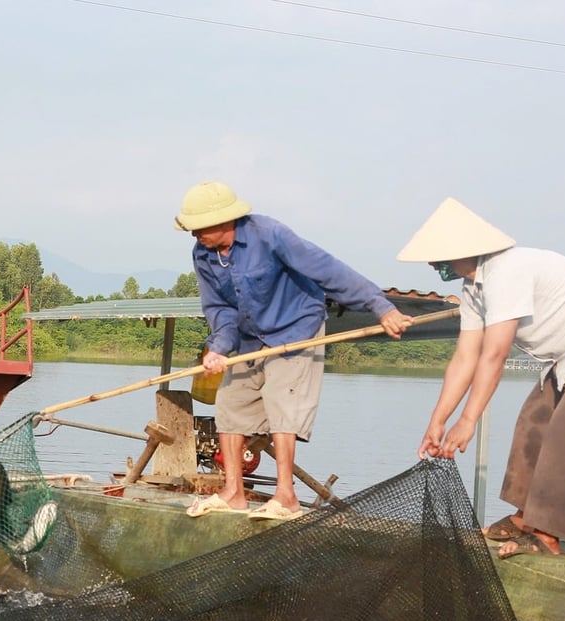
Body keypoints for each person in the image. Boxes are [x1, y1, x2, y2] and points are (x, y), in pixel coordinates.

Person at [398, 197, 565, 558]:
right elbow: (466, 356)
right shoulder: (474, 290)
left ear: (465, 250)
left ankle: (548, 533)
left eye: (442, 257)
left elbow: (494, 355)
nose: (437, 265)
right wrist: (437, 422)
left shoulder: (505, 271)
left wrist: (468, 421)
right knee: (535, 419)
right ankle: (526, 516)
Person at [176, 181, 412, 520]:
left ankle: (286, 497)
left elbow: (328, 270)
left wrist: (381, 307)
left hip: (295, 328)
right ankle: (233, 493)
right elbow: (218, 309)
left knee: (281, 401)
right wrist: (219, 348)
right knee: (230, 404)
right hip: (248, 338)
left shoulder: (269, 234)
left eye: (199, 227)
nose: (194, 234)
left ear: (223, 221)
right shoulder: (203, 255)